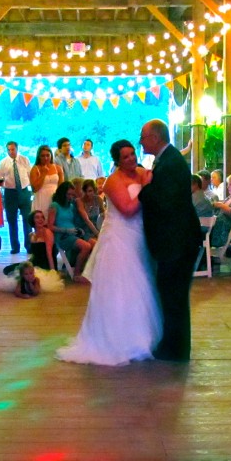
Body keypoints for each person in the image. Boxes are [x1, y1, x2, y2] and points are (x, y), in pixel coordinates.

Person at [56, 140, 162, 366]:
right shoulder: (113, 181)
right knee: (120, 287)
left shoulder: (142, 172)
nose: (132, 159)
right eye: (126, 157)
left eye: (133, 154)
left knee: (141, 284)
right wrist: (146, 186)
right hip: (119, 237)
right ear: (116, 161)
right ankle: (115, 340)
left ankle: (141, 337)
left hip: (139, 235)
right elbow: (128, 209)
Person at [139, 120, 201, 362]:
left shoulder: (171, 162)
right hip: (174, 241)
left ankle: (175, 350)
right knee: (171, 295)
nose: (141, 142)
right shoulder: (168, 159)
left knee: (174, 296)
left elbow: (166, 201)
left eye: (143, 137)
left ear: (155, 137)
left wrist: (143, 189)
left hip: (177, 242)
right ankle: (173, 345)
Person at [47, 181, 93, 283]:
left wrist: (77, 230)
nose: (70, 197)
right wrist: (66, 230)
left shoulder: (71, 206)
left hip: (72, 232)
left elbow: (70, 222)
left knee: (93, 243)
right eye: (68, 194)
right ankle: (76, 274)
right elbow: (50, 226)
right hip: (62, 235)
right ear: (62, 193)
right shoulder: (55, 206)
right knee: (86, 246)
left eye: (72, 194)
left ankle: (86, 270)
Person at [0, 141, 31, 254]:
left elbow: (29, 174)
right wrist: (5, 187)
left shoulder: (24, 159)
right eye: (9, 150)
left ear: (17, 149)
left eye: (13, 149)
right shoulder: (3, 162)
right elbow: (0, 178)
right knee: (12, 220)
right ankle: (15, 246)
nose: (11, 152)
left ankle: (29, 245)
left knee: (27, 220)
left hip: (24, 191)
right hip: (10, 193)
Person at [30, 145, 64, 220]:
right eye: (42, 156)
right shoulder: (35, 169)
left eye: (47, 155)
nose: (45, 158)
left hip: (54, 199)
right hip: (41, 199)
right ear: (39, 157)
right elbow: (34, 189)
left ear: (51, 155)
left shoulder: (58, 168)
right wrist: (43, 173)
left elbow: (61, 188)